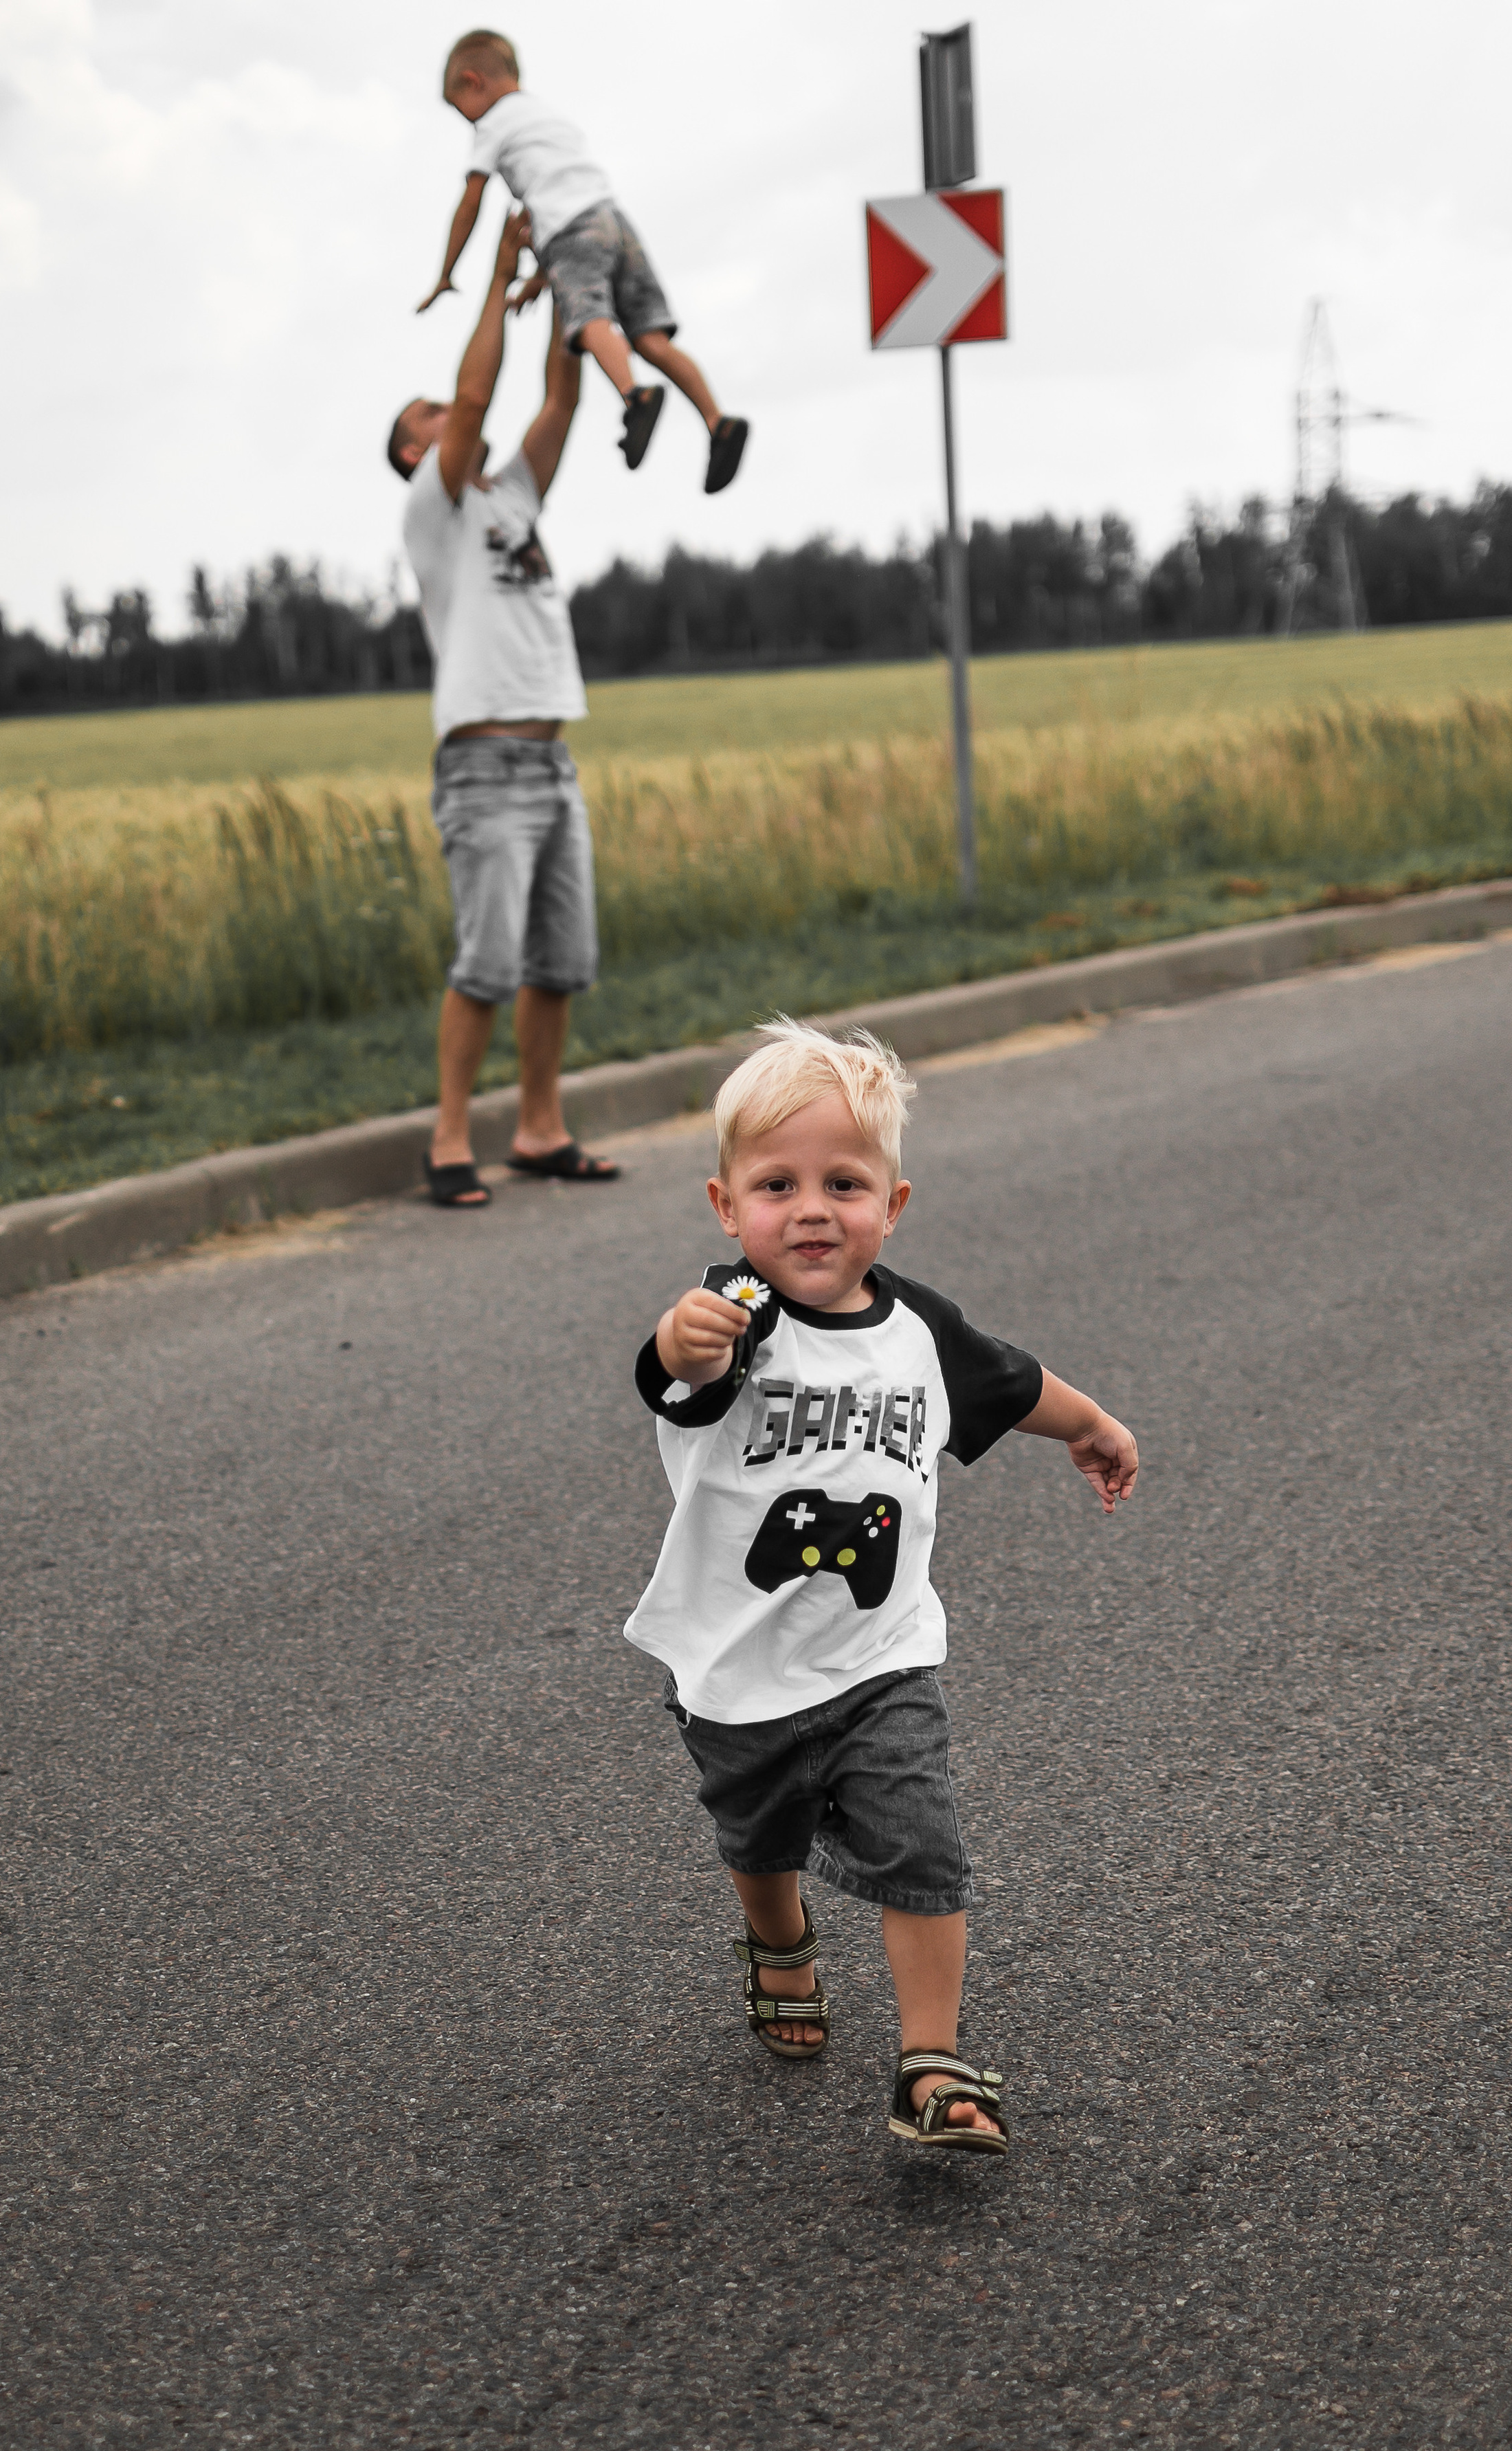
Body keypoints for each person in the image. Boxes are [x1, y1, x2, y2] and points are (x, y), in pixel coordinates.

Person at [624, 1021, 1139, 2153]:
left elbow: (1010, 1381)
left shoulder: (919, 1329)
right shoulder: (735, 1320)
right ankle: (780, 1943)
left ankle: (931, 2063)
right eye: (777, 1185)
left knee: (923, 1847)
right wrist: (683, 1336)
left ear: (892, 1206)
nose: (811, 1210)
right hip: (739, 1668)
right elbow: (677, 1370)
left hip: (882, 1658)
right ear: (726, 1205)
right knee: (761, 1840)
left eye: (844, 1184)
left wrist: (1091, 1423)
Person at [388, 206, 619, 1208]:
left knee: (560, 963)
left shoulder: (512, 497)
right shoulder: (433, 510)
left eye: (446, 407)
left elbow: (560, 396)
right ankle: (448, 1139)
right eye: (429, 415)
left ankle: (539, 1129)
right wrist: (494, 274)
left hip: (552, 764)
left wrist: (566, 284)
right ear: (413, 455)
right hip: (483, 771)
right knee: (486, 965)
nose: (451, 411)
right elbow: (481, 393)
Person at [418, 28, 749, 496]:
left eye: (462, 111)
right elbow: (558, 199)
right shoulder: (545, 117)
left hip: (571, 232)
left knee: (588, 319)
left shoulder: (493, 124)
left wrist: (445, 272)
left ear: (474, 82)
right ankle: (717, 423)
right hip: (613, 219)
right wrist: (539, 281)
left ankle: (635, 396)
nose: (469, 123)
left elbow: (472, 201)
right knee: (650, 338)